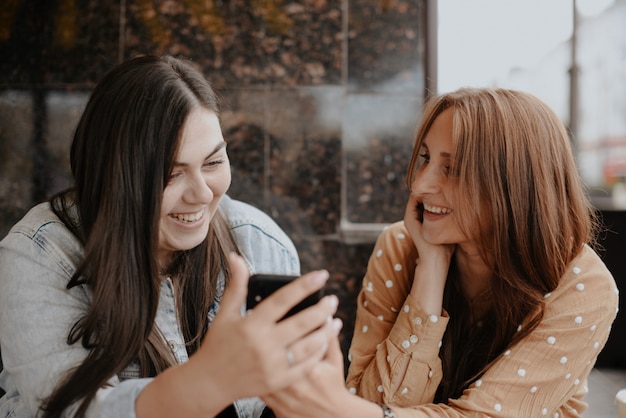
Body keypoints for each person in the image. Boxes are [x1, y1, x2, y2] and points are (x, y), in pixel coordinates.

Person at [0, 55, 342, 418]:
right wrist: (212, 381)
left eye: (212, 163)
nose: (202, 194)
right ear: (116, 175)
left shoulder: (259, 241)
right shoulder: (38, 255)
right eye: (171, 173)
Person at [260, 87, 619, 417]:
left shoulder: (582, 284)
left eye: (452, 169)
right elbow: (372, 399)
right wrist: (430, 269)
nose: (420, 184)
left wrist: (342, 411)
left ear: (514, 186)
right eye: (426, 159)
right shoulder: (402, 245)